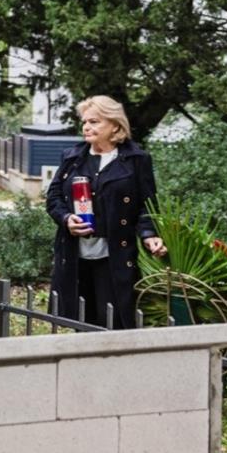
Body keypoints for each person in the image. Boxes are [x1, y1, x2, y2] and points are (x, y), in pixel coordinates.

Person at [45, 95, 166, 329]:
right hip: (74, 253)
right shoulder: (72, 158)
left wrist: (150, 234)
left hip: (115, 254)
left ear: (115, 126)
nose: (87, 127)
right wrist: (66, 218)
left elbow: (147, 205)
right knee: (80, 320)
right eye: (85, 122)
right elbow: (54, 197)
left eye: (94, 122)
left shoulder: (136, 160)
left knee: (112, 320)